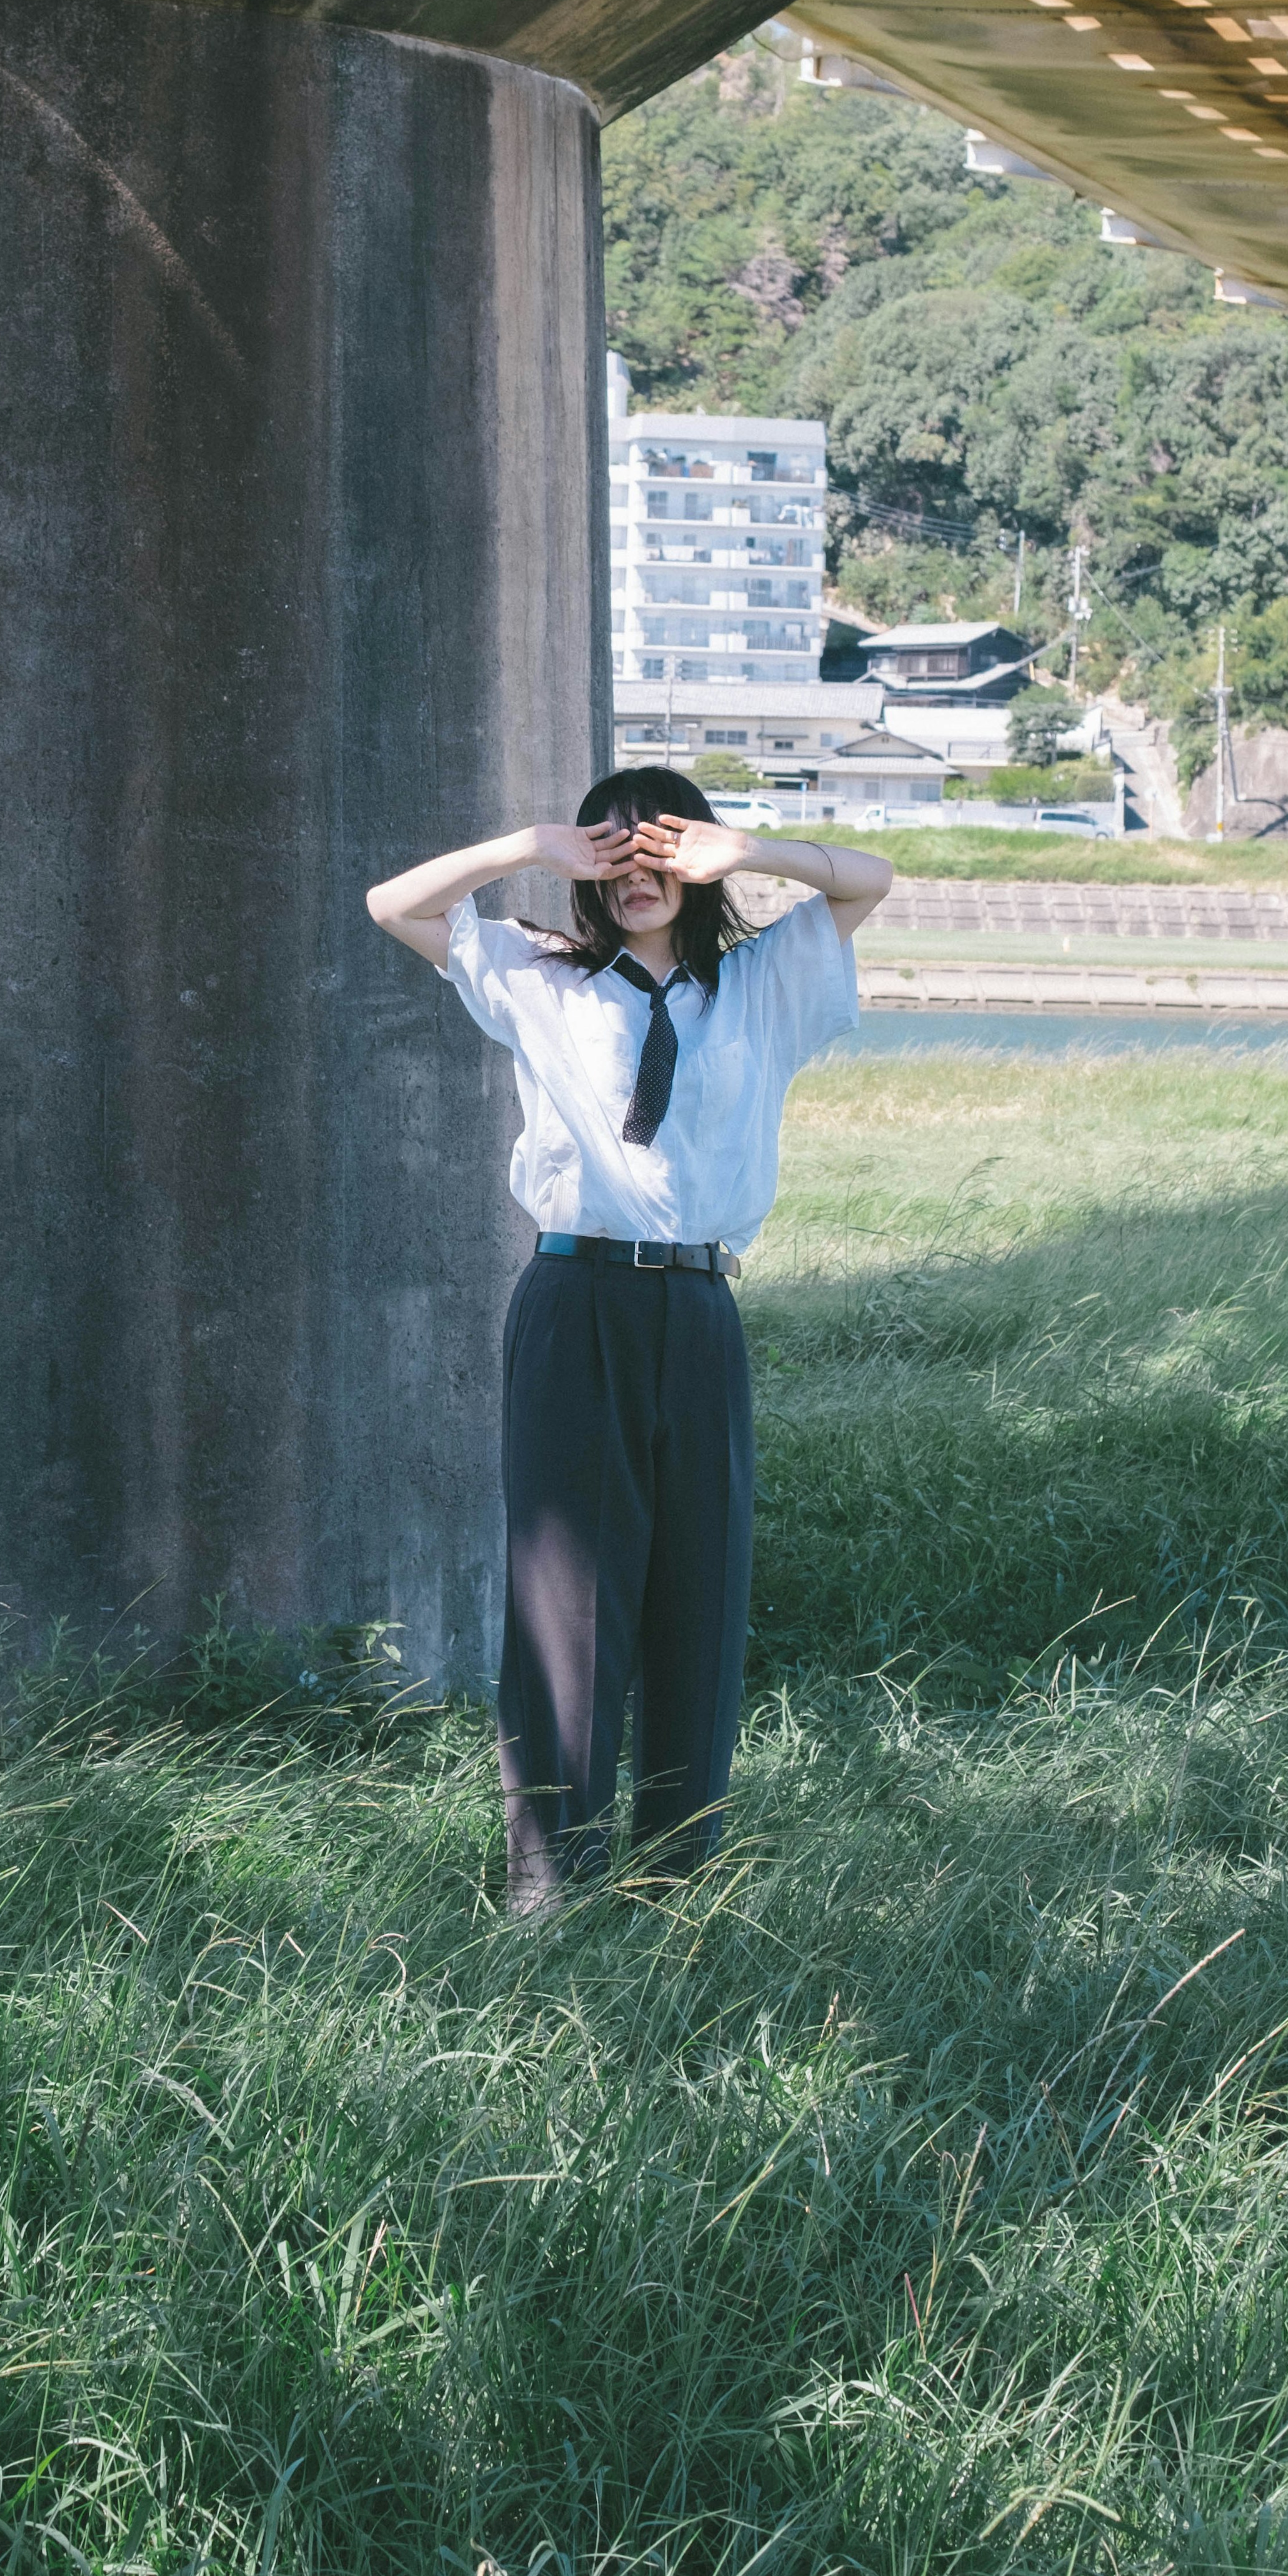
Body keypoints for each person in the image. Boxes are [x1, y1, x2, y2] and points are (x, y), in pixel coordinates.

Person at [366, 771, 893, 1910]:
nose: (640, 875)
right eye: (619, 853)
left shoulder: (760, 987)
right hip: (577, 1301)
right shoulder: (537, 976)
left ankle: (677, 1882)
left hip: (701, 1310)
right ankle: (549, 1886)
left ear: (694, 866)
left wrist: (745, 848)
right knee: (568, 1599)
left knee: (698, 1597)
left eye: (660, 851)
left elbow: (873, 882)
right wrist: (531, 844)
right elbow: (390, 906)